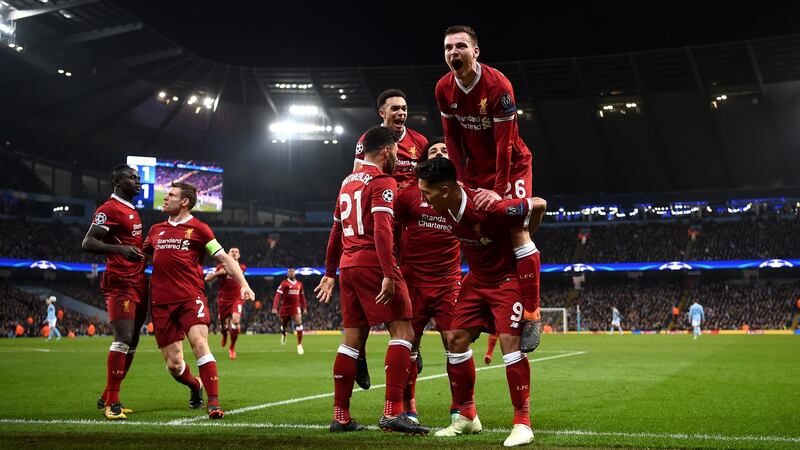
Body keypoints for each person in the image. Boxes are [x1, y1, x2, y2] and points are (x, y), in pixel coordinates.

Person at [416, 156, 547, 447]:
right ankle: (467, 417)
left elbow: (539, 204)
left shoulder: (489, 207)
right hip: (476, 279)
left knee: (510, 344)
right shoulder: (445, 206)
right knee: (455, 338)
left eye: (427, 193)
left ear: (446, 191)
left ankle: (523, 423)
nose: (424, 200)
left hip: (505, 280)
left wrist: (526, 230)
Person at [315, 125, 429, 435]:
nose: (397, 157)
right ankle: (392, 412)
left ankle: (340, 416)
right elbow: (382, 229)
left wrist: (329, 272)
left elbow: (335, 231)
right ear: (387, 151)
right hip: (373, 263)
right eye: (395, 152)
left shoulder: (347, 182)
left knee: (351, 341)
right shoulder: (382, 181)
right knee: (404, 332)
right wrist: (389, 274)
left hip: (348, 266)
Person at [435, 25, 542, 353]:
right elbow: (452, 139)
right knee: (474, 226)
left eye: (461, 46)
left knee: (515, 229)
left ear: (475, 52)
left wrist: (498, 192)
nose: (454, 52)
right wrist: (458, 181)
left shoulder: (498, 86)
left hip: (511, 164)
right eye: (449, 47)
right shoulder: (443, 88)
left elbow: (503, 145)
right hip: (475, 171)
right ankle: (482, 306)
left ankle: (533, 314)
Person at [143, 182, 255, 420]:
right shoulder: (155, 230)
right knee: (174, 365)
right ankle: (195, 386)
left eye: (170, 195)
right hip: (161, 302)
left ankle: (213, 403)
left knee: (199, 343)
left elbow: (225, 258)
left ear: (185, 201)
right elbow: (140, 261)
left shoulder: (200, 229)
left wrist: (244, 284)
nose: (164, 198)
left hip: (190, 297)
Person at [394, 137, 463, 424]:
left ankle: (460, 407)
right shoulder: (408, 195)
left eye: (445, 150)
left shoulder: (463, 193)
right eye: (433, 151)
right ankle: (409, 406)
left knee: (455, 342)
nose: (439, 153)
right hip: (413, 283)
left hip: (448, 281)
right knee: (409, 343)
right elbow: (393, 233)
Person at [82, 164, 147, 420]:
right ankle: (113, 404)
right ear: (116, 181)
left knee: (133, 340)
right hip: (120, 282)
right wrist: (120, 251)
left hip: (138, 280)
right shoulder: (108, 209)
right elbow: (88, 242)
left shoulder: (131, 210)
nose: (138, 181)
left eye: (138, 178)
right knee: (123, 336)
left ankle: (107, 395)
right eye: (132, 178)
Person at [354, 89, 429, 190]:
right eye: (395, 109)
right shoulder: (368, 139)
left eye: (404, 108)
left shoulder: (420, 141)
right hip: (382, 194)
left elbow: (427, 175)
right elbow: (357, 176)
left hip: (412, 200)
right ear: (382, 113)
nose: (401, 113)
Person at [205, 247, 247, 359]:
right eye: (232, 252)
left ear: (239, 255)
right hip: (223, 300)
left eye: (236, 252)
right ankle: (224, 335)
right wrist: (219, 273)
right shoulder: (220, 267)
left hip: (237, 298)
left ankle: (232, 347)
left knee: (236, 320)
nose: (234, 253)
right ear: (227, 254)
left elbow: (243, 280)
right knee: (223, 323)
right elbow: (207, 278)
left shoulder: (242, 268)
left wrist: (246, 291)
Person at [272, 268, 308, 355]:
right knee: (284, 325)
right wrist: (274, 307)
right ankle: (284, 333)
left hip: (296, 307)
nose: (291, 273)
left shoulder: (300, 284)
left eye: (292, 271)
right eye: (289, 272)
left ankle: (299, 345)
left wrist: (305, 307)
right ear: (287, 274)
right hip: (285, 308)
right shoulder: (284, 283)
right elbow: (278, 295)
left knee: (299, 323)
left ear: (295, 273)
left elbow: (302, 297)